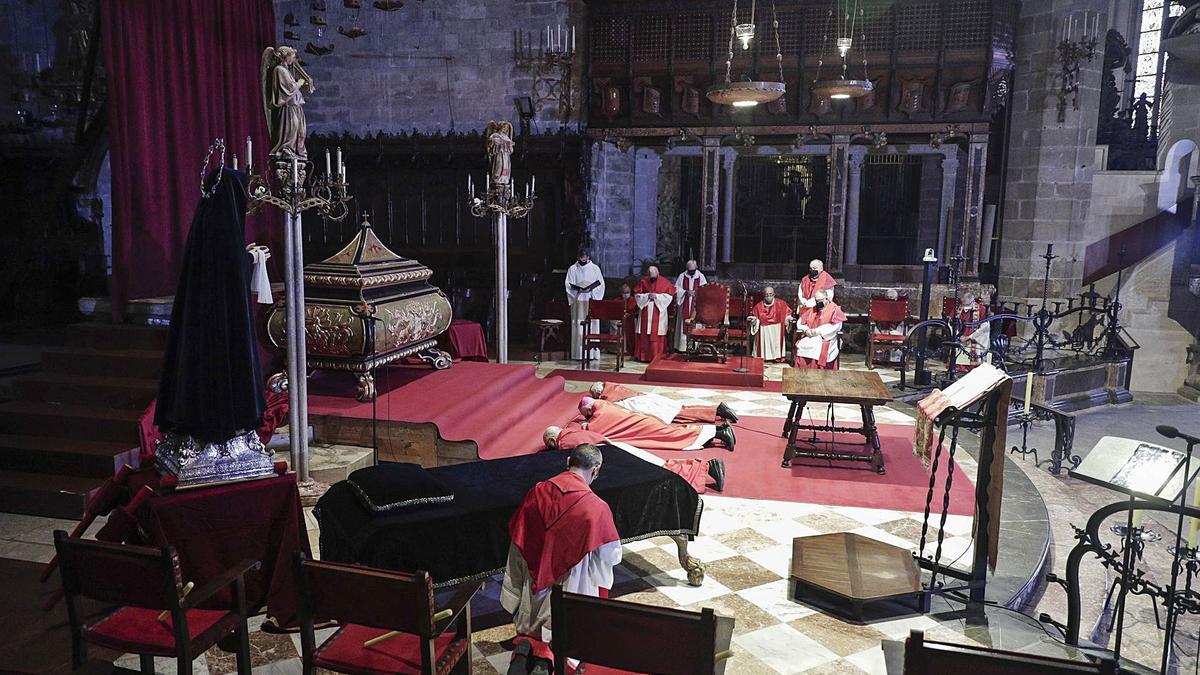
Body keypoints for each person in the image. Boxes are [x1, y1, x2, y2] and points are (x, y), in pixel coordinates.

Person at [501, 444, 621, 644]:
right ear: (595, 470)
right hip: (571, 582)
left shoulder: (538, 490)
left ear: (568, 462)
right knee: (566, 629)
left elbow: (519, 533)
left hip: (535, 572)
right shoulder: (596, 507)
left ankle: (527, 643)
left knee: (533, 613)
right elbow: (612, 555)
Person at [544, 427, 726, 493]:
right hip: (618, 447)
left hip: (613, 457)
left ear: (553, 440)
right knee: (661, 465)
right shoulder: (573, 430)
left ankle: (708, 469)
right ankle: (709, 467)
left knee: (660, 474)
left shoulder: (564, 441)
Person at [577, 397, 734, 451]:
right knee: (676, 427)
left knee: (674, 435)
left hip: (642, 426)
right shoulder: (605, 404)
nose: (588, 417)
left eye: (587, 415)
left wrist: (584, 425)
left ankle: (719, 432)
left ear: (590, 409)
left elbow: (594, 429)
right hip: (644, 419)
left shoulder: (600, 412)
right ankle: (718, 430)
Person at [588, 381, 739, 426]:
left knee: (681, 413)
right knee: (681, 411)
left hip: (645, 404)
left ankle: (717, 410)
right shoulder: (615, 388)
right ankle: (716, 411)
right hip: (648, 399)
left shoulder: (609, 396)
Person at [565, 249, 605, 361]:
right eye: (580, 257)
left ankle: (592, 353)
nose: (581, 259)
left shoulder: (595, 269)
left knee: (592, 325)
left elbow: (600, 285)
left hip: (590, 301)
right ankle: (578, 353)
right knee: (578, 325)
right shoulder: (573, 269)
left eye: (583, 257)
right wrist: (577, 290)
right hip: (578, 301)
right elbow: (568, 285)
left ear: (588, 257)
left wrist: (591, 290)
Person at [632, 266, 676, 362]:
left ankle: (657, 356)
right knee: (644, 332)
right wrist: (647, 296)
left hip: (658, 310)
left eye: (653, 276)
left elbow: (669, 296)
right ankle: (643, 356)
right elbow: (637, 295)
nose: (651, 279)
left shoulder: (665, 282)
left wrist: (656, 296)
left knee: (657, 333)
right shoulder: (643, 281)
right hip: (646, 309)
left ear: (658, 273)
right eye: (650, 276)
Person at [794, 289, 846, 369]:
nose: (818, 303)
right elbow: (800, 322)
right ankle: (803, 372)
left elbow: (836, 326)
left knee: (816, 347)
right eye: (816, 301)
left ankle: (818, 371)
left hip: (826, 337)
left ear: (826, 298)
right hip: (811, 335)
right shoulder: (813, 309)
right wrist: (806, 330)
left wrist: (817, 331)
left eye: (820, 300)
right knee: (802, 345)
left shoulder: (834, 309)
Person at [748, 286, 793, 362]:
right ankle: (763, 357)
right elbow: (755, 319)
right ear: (764, 295)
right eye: (766, 294)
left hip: (777, 330)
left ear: (774, 294)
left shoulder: (781, 304)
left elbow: (788, 315)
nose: (769, 296)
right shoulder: (758, 307)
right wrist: (754, 320)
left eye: (770, 294)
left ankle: (776, 357)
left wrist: (789, 319)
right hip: (764, 331)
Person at [673, 260, 707, 352]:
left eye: (693, 270)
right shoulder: (682, 276)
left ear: (696, 268)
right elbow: (676, 289)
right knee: (683, 324)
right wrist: (685, 292)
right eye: (690, 270)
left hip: (696, 305)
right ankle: (682, 347)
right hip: (685, 302)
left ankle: (696, 347)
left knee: (696, 324)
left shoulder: (700, 276)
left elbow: (705, 290)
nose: (691, 272)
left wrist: (696, 293)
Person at [953, 291, 991, 372]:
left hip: (975, 336)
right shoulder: (958, 308)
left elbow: (984, 327)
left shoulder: (981, 309)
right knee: (956, 344)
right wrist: (958, 335)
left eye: (967, 304)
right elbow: (951, 324)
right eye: (963, 304)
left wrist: (970, 337)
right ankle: (958, 366)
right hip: (960, 336)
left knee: (973, 345)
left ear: (972, 301)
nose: (965, 306)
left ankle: (971, 367)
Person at [619, 283, 637, 357]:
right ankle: (620, 349)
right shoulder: (618, 300)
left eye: (627, 292)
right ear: (621, 293)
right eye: (624, 293)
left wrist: (629, 313)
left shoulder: (633, 300)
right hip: (620, 320)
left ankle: (631, 350)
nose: (626, 294)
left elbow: (635, 309)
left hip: (631, 319)